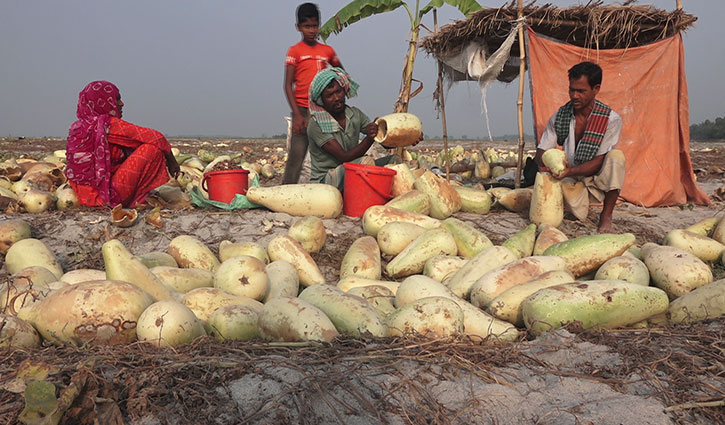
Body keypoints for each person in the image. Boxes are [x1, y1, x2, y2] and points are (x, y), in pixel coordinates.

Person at [534, 61, 626, 233]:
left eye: (581, 91)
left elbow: (599, 162)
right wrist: (548, 160)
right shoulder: (560, 117)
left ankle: (606, 216)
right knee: (548, 194)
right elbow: (541, 152)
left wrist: (570, 171)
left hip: (595, 180)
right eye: (572, 90)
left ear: (596, 89)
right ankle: (575, 204)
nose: (574, 96)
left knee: (616, 157)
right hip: (568, 180)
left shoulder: (611, 120)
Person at [65, 80, 179, 208]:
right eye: (116, 99)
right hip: (104, 198)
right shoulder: (104, 125)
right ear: (102, 102)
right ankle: (135, 200)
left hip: (85, 197)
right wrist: (172, 161)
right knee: (151, 150)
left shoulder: (78, 127)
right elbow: (157, 138)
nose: (121, 103)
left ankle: (135, 198)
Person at [307, 67, 398, 191]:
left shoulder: (355, 115)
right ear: (321, 100)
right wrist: (369, 139)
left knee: (394, 162)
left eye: (338, 92)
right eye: (329, 95)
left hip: (352, 169)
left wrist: (406, 138)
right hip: (326, 181)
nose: (336, 98)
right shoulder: (316, 124)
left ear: (344, 91)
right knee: (364, 163)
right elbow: (344, 157)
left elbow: (384, 142)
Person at [282, 2, 343, 184]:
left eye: (315, 25)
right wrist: (297, 116)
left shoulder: (327, 51)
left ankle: (333, 188)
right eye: (307, 26)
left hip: (323, 111)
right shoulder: (295, 52)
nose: (311, 30)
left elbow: (341, 74)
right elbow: (287, 85)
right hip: (301, 110)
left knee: (331, 153)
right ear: (298, 27)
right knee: (297, 156)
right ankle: (286, 192)